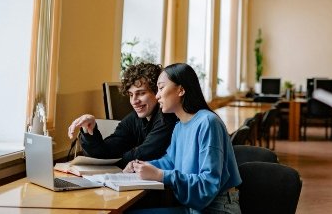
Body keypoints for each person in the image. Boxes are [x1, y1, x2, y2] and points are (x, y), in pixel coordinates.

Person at [125, 63, 241, 214]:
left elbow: (208, 184)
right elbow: (170, 161)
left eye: (160, 88)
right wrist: (139, 166)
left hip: (216, 208)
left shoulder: (207, 122)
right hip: (193, 207)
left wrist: (161, 175)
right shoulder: (179, 126)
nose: (157, 95)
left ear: (181, 90)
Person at [67, 62, 177, 168]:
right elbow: (105, 152)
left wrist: (114, 161)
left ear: (157, 92)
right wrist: (89, 130)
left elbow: (146, 153)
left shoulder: (168, 116)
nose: (134, 101)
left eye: (141, 93)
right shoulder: (133, 119)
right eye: (131, 94)